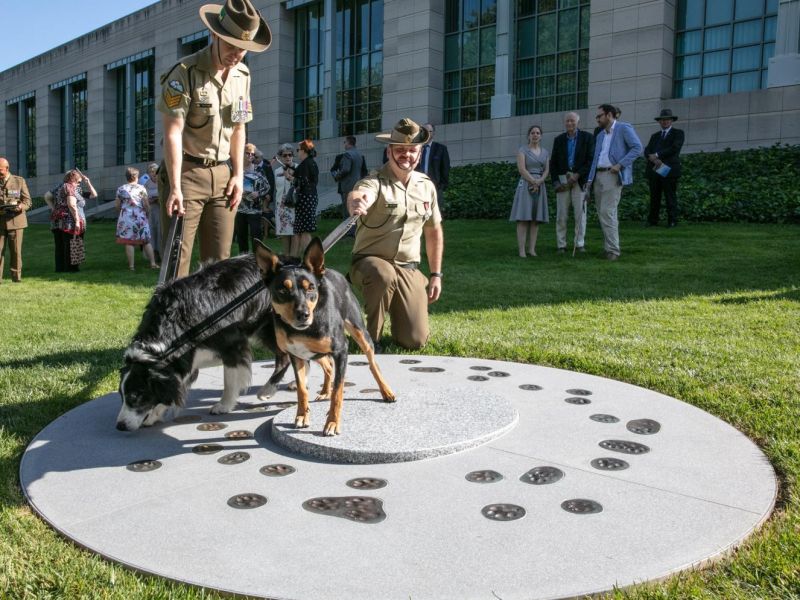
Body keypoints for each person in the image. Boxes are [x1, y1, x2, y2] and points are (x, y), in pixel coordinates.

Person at [156, 0, 271, 278]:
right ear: (214, 35)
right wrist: (174, 186)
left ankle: (214, 322)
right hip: (186, 173)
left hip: (222, 177)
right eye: (231, 46)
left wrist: (237, 176)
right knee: (176, 264)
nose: (237, 54)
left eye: (243, 49)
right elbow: (172, 133)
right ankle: (173, 321)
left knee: (220, 267)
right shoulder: (184, 73)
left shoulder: (243, 76)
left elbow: (239, 128)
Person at [347, 118, 444, 351]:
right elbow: (359, 194)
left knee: (414, 340)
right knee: (383, 274)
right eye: (400, 149)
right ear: (389, 151)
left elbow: (433, 230)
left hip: (407, 267)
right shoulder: (374, 181)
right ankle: (369, 339)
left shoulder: (426, 186)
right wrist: (357, 203)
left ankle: (412, 289)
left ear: (419, 154)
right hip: (369, 263)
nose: (406, 155)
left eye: (412, 150)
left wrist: (435, 274)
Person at [587, 103, 643, 261]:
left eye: (599, 116)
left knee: (607, 212)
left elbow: (637, 148)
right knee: (602, 214)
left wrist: (620, 165)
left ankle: (613, 251)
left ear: (609, 115)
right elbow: (595, 159)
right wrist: (589, 181)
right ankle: (608, 249)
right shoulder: (599, 135)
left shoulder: (624, 128)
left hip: (613, 175)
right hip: (598, 176)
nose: (597, 119)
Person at [551, 112, 595, 253]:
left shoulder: (587, 138)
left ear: (578, 122)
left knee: (580, 214)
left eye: (572, 121)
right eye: (567, 121)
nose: (570, 123)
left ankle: (579, 243)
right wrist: (556, 182)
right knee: (561, 214)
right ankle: (561, 245)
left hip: (579, 180)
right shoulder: (558, 140)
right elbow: (553, 163)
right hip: (563, 182)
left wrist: (577, 174)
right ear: (564, 123)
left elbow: (590, 160)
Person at [509, 125, 550, 258]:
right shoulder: (522, 150)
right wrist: (533, 181)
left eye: (538, 133)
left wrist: (540, 181)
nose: (535, 135)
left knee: (535, 219)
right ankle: (521, 250)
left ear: (541, 136)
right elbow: (521, 169)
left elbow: (546, 170)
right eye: (532, 133)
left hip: (540, 185)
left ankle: (531, 249)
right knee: (523, 218)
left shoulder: (545, 152)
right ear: (529, 136)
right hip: (526, 184)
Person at [645, 108, 684, 228]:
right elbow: (647, 150)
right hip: (655, 169)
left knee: (670, 196)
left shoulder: (678, 133)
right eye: (662, 120)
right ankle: (652, 220)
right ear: (659, 122)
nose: (664, 122)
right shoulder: (655, 136)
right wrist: (652, 158)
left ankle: (672, 220)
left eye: (667, 119)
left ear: (671, 120)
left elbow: (674, 148)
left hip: (669, 169)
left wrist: (657, 155)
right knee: (655, 196)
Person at [116, 167, 159, 271]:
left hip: (126, 216)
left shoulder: (121, 189)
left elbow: (117, 205)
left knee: (129, 242)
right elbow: (146, 204)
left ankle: (131, 266)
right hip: (140, 216)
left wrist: (121, 213)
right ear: (136, 176)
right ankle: (153, 264)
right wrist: (147, 213)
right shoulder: (141, 188)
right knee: (146, 241)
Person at [0, 157, 32, 283]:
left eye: (0, 170)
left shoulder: (19, 181)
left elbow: (28, 201)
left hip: (16, 221)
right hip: (0, 222)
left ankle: (16, 278)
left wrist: (20, 207)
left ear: (7, 168)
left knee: (15, 252)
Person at [235, 143, 271, 254]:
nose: (250, 156)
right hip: (240, 209)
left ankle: (258, 260)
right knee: (241, 237)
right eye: (248, 153)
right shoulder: (236, 170)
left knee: (256, 237)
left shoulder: (258, 170)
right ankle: (243, 260)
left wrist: (258, 193)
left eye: (252, 154)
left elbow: (267, 186)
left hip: (255, 209)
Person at [50, 170, 87, 273]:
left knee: (60, 246)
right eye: (79, 181)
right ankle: (71, 269)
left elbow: (47, 196)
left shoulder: (60, 187)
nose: (79, 183)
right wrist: (76, 220)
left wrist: (53, 208)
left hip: (57, 220)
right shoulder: (70, 187)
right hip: (68, 221)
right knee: (71, 244)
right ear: (74, 179)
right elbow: (71, 204)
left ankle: (60, 268)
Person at [331, 135, 367, 237]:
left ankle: (348, 231)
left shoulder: (347, 154)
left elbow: (346, 169)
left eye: (345, 142)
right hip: (357, 185)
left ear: (349, 143)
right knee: (355, 209)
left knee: (347, 210)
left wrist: (337, 176)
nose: (344, 144)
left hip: (347, 186)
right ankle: (355, 231)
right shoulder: (359, 154)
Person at [288, 139, 319, 256]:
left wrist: (291, 178)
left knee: (305, 230)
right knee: (300, 230)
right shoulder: (309, 163)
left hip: (306, 199)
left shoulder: (307, 163)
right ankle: (296, 257)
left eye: (298, 150)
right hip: (307, 199)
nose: (297, 152)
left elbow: (304, 183)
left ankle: (309, 257)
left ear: (304, 150)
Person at [416, 123, 450, 209]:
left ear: (433, 133)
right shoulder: (415, 149)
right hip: (418, 186)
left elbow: (445, 168)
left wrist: (441, 185)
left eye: (429, 131)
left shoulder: (441, 149)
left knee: (436, 213)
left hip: (435, 186)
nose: (427, 133)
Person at [272, 143, 297, 255]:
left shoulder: (298, 168)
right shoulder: (277, 171)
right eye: (284, 155)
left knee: (294, 232)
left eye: (290, 155)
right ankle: (287, 256)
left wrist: (291, 177)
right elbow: (275, 189)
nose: (287, 157)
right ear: (280, 157)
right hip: (281, 205)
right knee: (284, 232)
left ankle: (293, 256)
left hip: (294, 204)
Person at [139, 163, 162, 262]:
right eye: (151, 172)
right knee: (151, 233)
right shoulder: (145, 184)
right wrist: (148, 201)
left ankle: (162, 254)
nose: (153, 173)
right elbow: (141, 199)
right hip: (150, 211)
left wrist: (159, 199)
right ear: (148, 173)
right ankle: (152, 255)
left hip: (161, 210)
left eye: (155, 171)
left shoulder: (163, 182)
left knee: (161, 232)